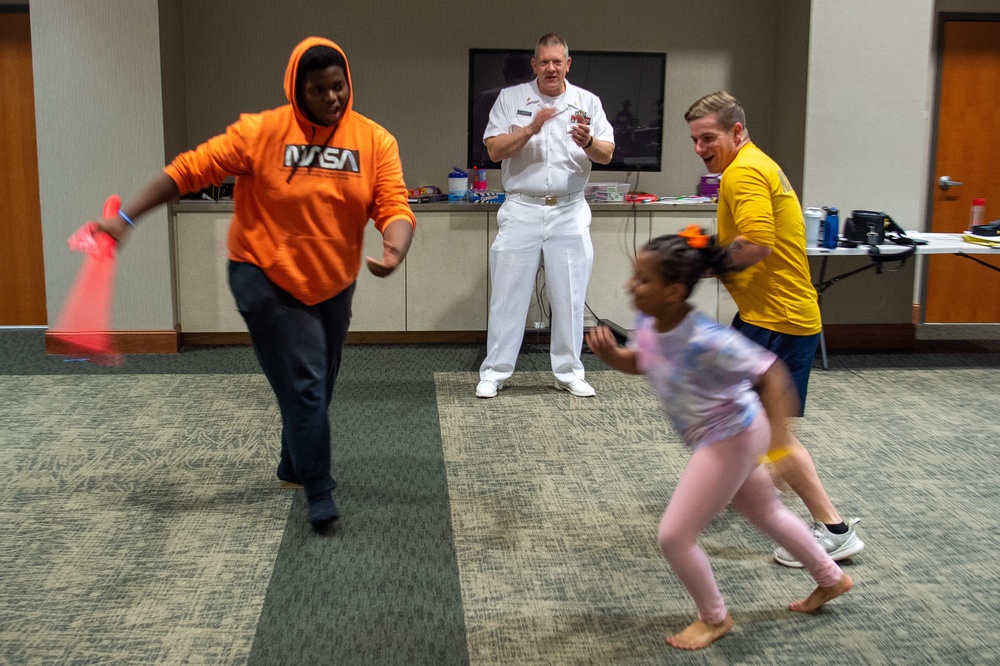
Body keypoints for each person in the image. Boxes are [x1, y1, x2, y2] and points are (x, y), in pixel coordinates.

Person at [92, 37, 415, 532]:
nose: (331, 98)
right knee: (306, 383)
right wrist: (126, 220)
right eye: (317, 90)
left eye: (338, 86)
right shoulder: (261, 132)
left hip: (332, 280)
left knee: (320, 382)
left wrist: (397, 246)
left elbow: (393, 204)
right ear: (295, 91)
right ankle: (320, 490)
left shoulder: (374, 141)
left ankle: (293, 463)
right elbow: (187, 170)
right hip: (263, 274)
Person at [586, 230, 853, 650]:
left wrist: (780, 448)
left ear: (673, 291)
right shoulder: (651, 321)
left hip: (732, 436)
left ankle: (714, 618)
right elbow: (645, 360)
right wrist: (614, 358)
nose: (629, 286)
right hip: (728, 432)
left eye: (642, 279)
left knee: (674, 536)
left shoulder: (707, 339)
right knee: (765, 511)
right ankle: (831, 578)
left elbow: (772, 374)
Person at [684, 91, 864, 566]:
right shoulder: (752, 164)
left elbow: (757, 243)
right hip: (776, 315)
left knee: (765, 431)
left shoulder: (743, 171)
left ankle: (833, 528)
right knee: (739, 417)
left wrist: (697, 267)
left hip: (777, 320)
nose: (701, 148)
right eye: (695, 140)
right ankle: (744, 488)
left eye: (710, 137)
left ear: (737, 131)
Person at [476, 33, 614, 399]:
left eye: (558, 61)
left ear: (568, 64)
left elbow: (607, 153)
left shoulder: (588, 102)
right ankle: (494, 371)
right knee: (507, 295)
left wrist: (587, 142)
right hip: (521, 207)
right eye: (544, 62)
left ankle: (569, 372)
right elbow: (493, 149)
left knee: (569, 295)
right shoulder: (510, 99)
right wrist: (531, 128)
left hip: (569, 210)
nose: (551, 68)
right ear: (534, 65)